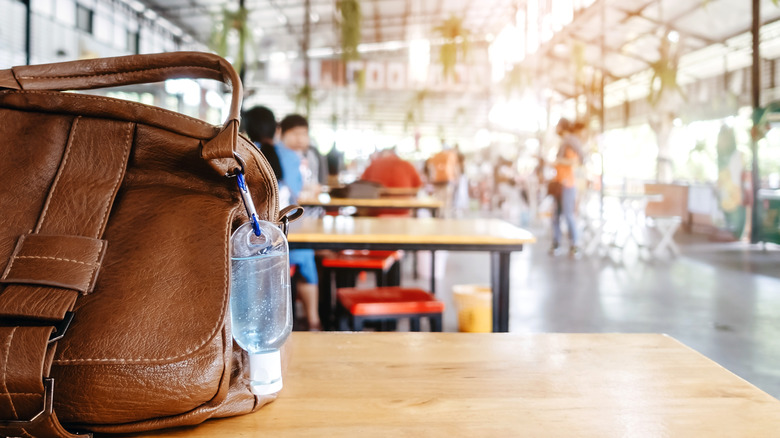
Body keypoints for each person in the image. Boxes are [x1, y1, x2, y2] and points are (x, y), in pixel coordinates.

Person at [242, 107, 321, 330]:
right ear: (277, 130)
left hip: (252, 242)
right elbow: (297, 195)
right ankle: (314, 321)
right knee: (306, 257)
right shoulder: (290, 156)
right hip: (286, 235)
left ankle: (263, 323)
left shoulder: (242, 154)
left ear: (247, 130)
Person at [550, 118, 583, 256]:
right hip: (559, 184)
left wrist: (558, 161)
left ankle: (575, 245)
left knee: (568, 215)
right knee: (556, 216)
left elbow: (574, 162)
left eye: (558, 126)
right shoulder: (564, 143)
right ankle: (556, 244)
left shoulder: (570, 142)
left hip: (567, 185)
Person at [360, 147, 423, 216]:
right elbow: (417, 186)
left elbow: (361, 184)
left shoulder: (373, 164)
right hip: (403, 210)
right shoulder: (407, 164)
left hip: (376, 211)